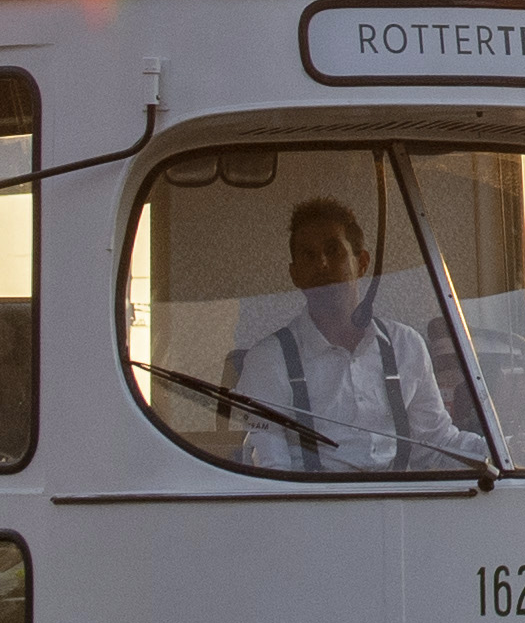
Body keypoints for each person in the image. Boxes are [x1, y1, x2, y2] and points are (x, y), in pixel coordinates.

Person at [187, 195, 477, 475]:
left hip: (398, 508)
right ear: (295, 274)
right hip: (312, 515)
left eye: (333, 250)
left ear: (361, 262)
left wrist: (507, 451)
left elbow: (438, 445)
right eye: (309, 255)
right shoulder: (267, 360)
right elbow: (272, 470)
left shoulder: (407, 345)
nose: (322, 264)